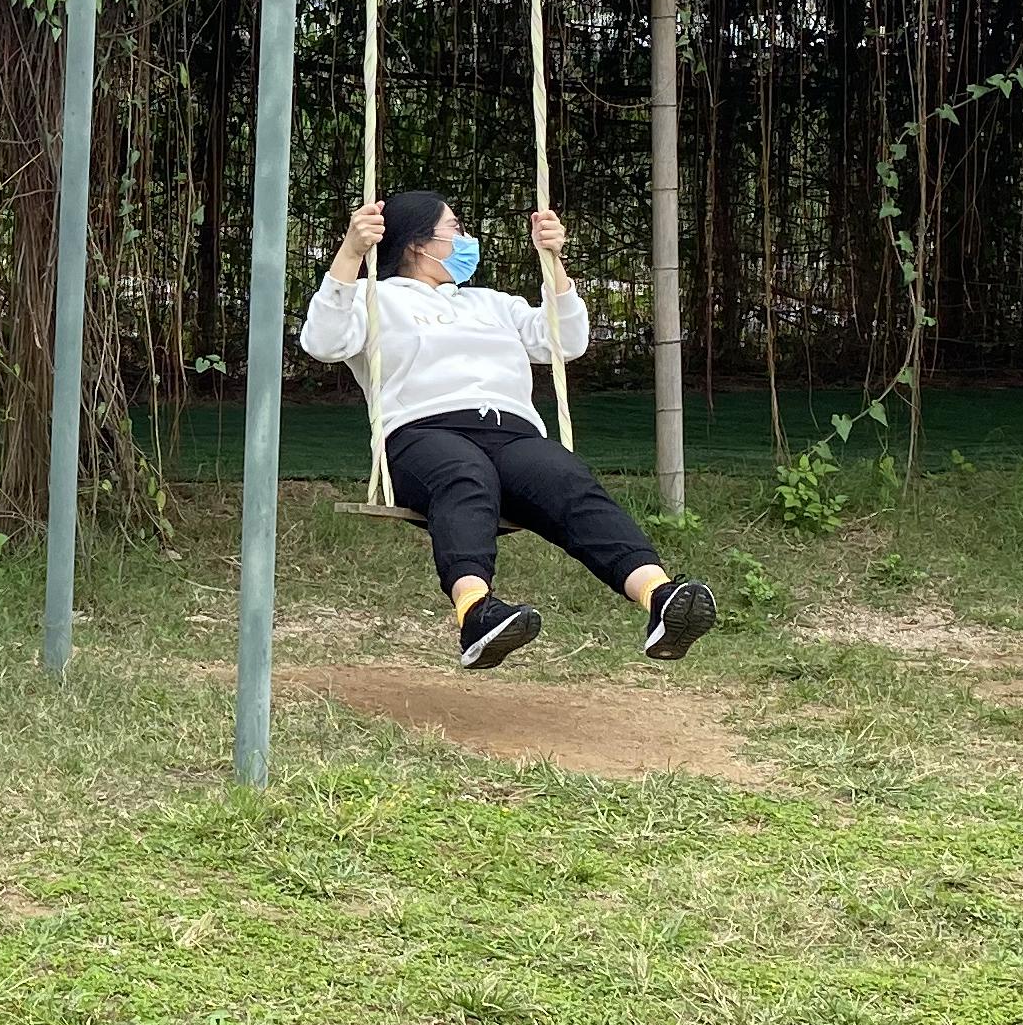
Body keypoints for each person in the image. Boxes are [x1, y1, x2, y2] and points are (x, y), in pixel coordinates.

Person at [302, 190, 717, 671]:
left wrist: (554, 262)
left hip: (511, 431)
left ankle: (659, 596)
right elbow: (323, 342)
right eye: (456, 228)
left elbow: (566, 341)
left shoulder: (492, 303)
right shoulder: (376, 299)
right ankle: (476, 612)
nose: (466, 238)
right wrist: (352, 253)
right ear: (418, 244)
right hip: (423, 432)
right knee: (465, 477)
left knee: (566, 480)